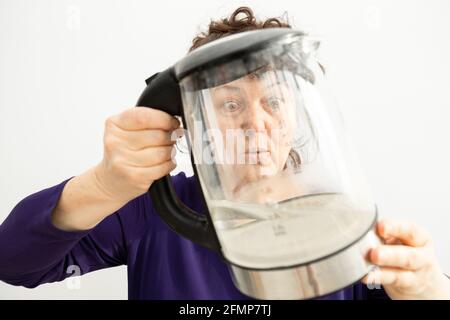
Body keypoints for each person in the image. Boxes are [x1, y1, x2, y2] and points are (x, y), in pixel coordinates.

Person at [1, 6, 449, 300]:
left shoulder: (336, 221)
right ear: (194, 122)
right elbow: (13, 262)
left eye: (273, 101)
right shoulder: (151, 211)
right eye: (231, 104)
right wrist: (102, 184)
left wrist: (429, 288)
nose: (256, 123)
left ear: (295, 116)